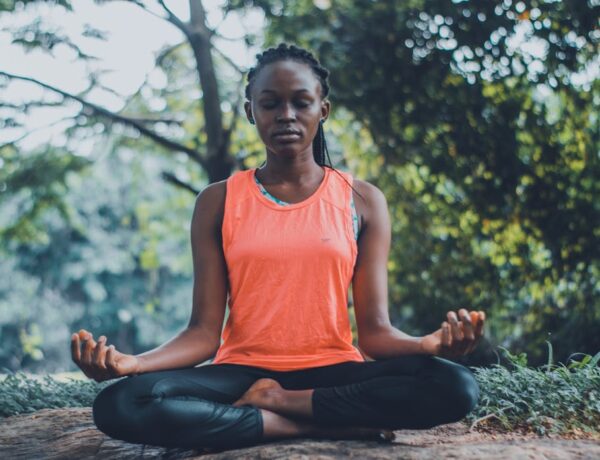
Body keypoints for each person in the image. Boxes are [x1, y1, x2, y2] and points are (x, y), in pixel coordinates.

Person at [71, 43, 485, 451]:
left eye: (301, 102)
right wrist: (134, 363)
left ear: (322, 109)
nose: (286, 115)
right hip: (240, 373)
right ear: (251, 111)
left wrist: (427, 345)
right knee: (122, 402)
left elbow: (375, 335)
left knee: (454, 385)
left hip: (333, 372)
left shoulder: (361, 199)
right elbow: (202, 333)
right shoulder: (218, 201)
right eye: (270, 104)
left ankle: (278, 405)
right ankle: (305, 428)